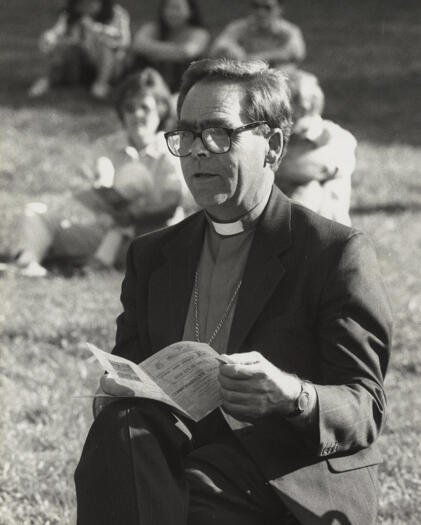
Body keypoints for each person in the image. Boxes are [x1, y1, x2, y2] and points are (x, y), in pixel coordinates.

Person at [75, 59, 392, 525]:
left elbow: (364, 408)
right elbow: (132, 375)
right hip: (171, 456)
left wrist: (293, 394)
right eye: (186, 133)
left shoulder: (334, 253)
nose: (197, 151)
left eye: (220, 133)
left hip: (282, 475)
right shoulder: (152, 255)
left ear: (273, 146)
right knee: (121, 430)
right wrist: (115, 392)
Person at [15, 68, 192, 277]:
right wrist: (101, 189)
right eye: (129, 108)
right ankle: (28, 263)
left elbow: (171, 203)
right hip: (106, 232)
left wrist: (133, 215)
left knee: (133, 201)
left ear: (161, 110)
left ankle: (88, 258)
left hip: (153, 238)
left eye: (144, 108)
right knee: (37, 212)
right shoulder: (107, 146)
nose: (136, 115)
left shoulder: (171, 149)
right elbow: (93, 189)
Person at [276, 70, 357, 226]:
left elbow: (323, 167)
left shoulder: (336, 137)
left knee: (310, 187)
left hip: (329, 229)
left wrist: (274, 170)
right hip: (284, 228)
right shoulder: (278, 135)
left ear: (304, 107)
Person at [29, 0, 131, 99]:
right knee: (65, 46)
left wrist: (94, 28)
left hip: (111, 67)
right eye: (82, 3)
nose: (86, 6)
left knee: (106, 46)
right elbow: (56, 32)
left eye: (90, 2)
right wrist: (49, 38)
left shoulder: (117, 14)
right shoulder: (71, 14)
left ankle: (101, 85)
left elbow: (124, 42)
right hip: (81, 65)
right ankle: (47, 80)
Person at [129, 0, 210, 93]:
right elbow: (137, 44)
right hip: (147, 85)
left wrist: (153, 52)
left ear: (191, 11)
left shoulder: (199, 33)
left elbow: (186, 52)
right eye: (169, 8)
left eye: (177, 8)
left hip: (185, 88)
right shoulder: (154, 28)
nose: (172, 13)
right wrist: (171, 51)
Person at [210, 0, 305, 71]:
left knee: (305, 85)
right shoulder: (240, 27)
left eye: (267, 8)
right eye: (256, 7)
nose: (261, 12)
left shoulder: (288, 30)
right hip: (247, 77)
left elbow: (295, 52)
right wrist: (234, 51)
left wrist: (255, 58)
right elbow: (218, 47)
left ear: (279, 9)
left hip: (282, 77)